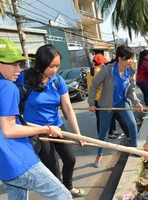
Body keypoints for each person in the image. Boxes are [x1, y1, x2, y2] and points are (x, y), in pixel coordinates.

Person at [0, 38, 72, 200]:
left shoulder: (57, 81)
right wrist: (46, 129)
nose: (19, 69)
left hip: (4, 165)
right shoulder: (7, 87)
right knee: (62, 196)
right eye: (14, 64)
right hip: (19, 159)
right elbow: (9, 129)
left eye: (19, 64)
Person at [14, 44, 87, 197]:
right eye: (51, 66)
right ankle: (59, 195)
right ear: (41, 63)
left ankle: (68, 188)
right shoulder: (24, 78)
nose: (55, 70)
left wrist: (78, 133)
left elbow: (67, 107)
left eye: (57, 66)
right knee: (53, 167)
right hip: (38, 130)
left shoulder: (57, 81)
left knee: (70, 159)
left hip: (57, 126)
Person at [88, 45, 143, 168]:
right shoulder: (107, 70)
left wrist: (137, 102)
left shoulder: (130, 71)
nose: (131, 61)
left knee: (132, 123)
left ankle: (134, 148)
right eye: (128, 58)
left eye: (132, 58)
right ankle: (99, 154)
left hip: (121, 102)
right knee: (104, 131)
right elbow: (94, 85)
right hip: (106, 105)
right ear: (120, 58)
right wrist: (91, 103)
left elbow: (131, 90)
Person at [87, 54, 129, 139]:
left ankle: (105, 136)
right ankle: (130, 135)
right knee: (119, 116)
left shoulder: (89, 72)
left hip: (96, 100)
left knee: (101, 119)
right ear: (101, 63)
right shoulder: (100, 72)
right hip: (104, 99)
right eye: (103, 62)